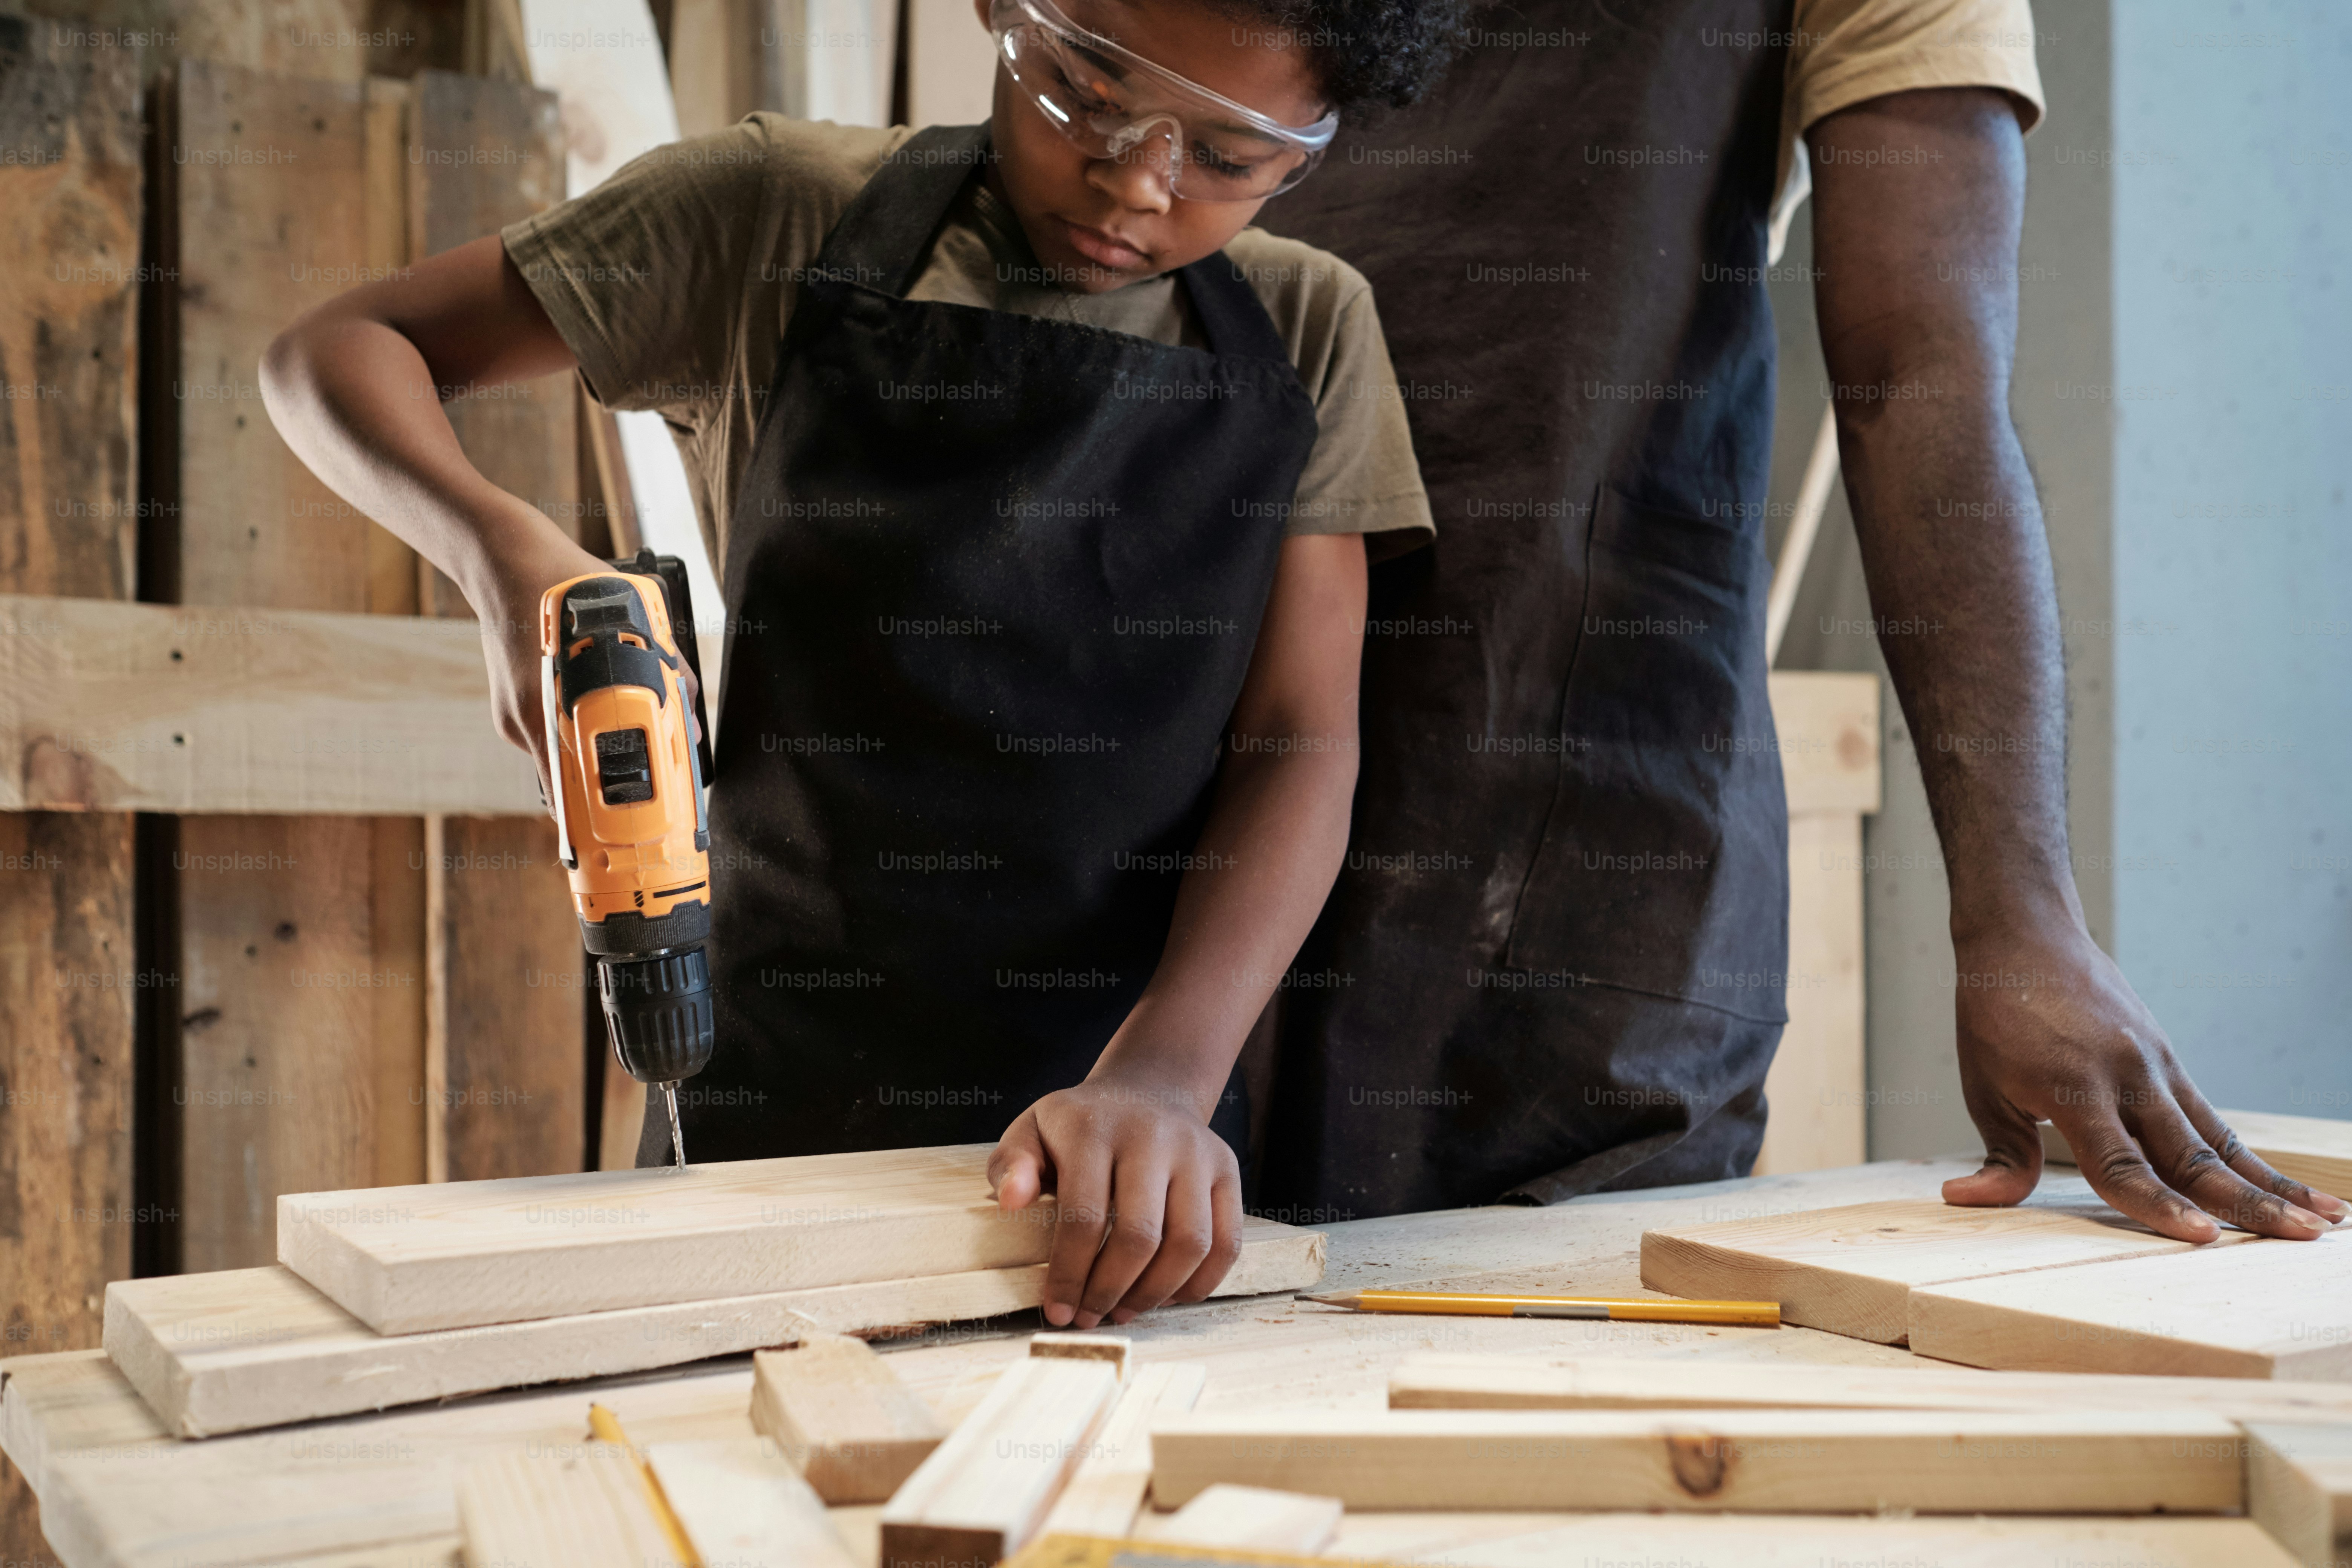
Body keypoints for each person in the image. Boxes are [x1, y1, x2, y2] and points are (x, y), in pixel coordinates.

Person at [262, 0, 1467, 1331]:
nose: (1137, 180)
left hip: (1121, 1164)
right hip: (773, 1109)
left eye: (1228, 159)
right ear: (1003, 12)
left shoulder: (1308, 330)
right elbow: (330, 354)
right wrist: (502, 554)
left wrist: (1169, 1081)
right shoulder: (774, 215)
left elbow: (1303, 741)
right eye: (1086, 92)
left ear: (1313, 149)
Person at [1243, 0, 2348, 1241]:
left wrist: (2018, 916)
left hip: (1578, 801)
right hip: (1172, 718)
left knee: (1562, 1342)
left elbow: (1918, 376)